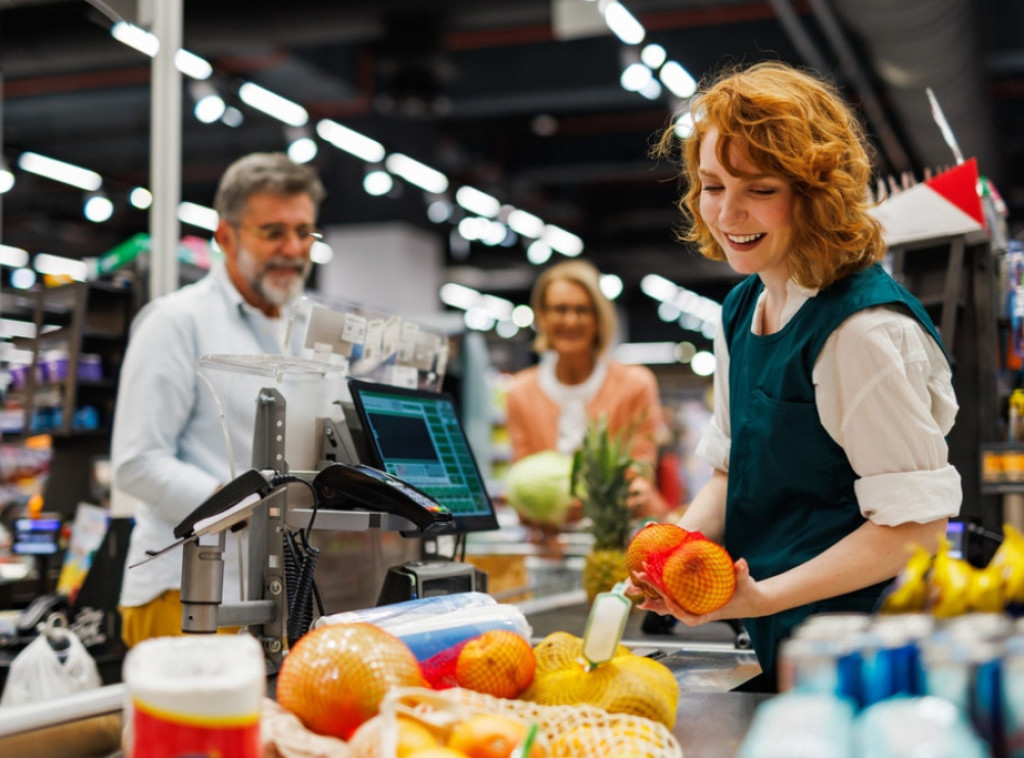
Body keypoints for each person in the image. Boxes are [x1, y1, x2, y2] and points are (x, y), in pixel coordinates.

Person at [633, 61, 961, 690]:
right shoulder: (739, 309)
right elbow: (734, 472)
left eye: (759, 189)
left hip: (870, 655)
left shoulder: (860, 332)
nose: (728, 213)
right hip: (786, 642)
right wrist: (670, 551)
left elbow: (914, 531)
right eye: (711, 185)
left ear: (814, 194)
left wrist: (761, 597)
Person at [113, 152, 326, 648]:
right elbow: (137, 462)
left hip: (278, 594)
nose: (293, 249)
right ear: (225, 236)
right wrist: (246, 506)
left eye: (304, 232)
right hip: (185, 595)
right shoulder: (175, 322)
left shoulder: (303, 331)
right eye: (273, 232)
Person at [505, 259, 671, 526]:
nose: (571, 320)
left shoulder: (636, 384)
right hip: (554, 536)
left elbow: (642, 464)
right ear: (542, 317)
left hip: (626, 532)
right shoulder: (520, 392)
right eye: (560, 309)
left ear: (598, 318)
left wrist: (635, 490)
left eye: (582, 310)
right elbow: (522, 471)